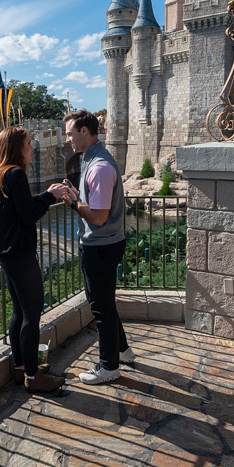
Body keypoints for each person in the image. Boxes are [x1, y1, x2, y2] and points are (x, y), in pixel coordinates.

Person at [0, 126, 68, 393]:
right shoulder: (15, 174)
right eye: (28, 142)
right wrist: (52, 196)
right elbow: (28, 216)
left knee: (19, 312)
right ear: (16, 147)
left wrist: (43, 195)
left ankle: (20, 368)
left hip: (5, 254)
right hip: (20, 255)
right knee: (32, 314)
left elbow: (17, 209)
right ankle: (33, 376)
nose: (32, 147)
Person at [56, 110, 134, 385]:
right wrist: (77, 196)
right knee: (104, 303)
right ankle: (122, 350)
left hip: (100, 246)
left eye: (69, 133)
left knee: (100, 308)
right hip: (105, 243)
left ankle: (108, 367)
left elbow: (99, 217)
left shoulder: (99, 166)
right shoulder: (93, 161)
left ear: (85, 132)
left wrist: (72, 203)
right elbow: (96, 205)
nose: (67, 139)